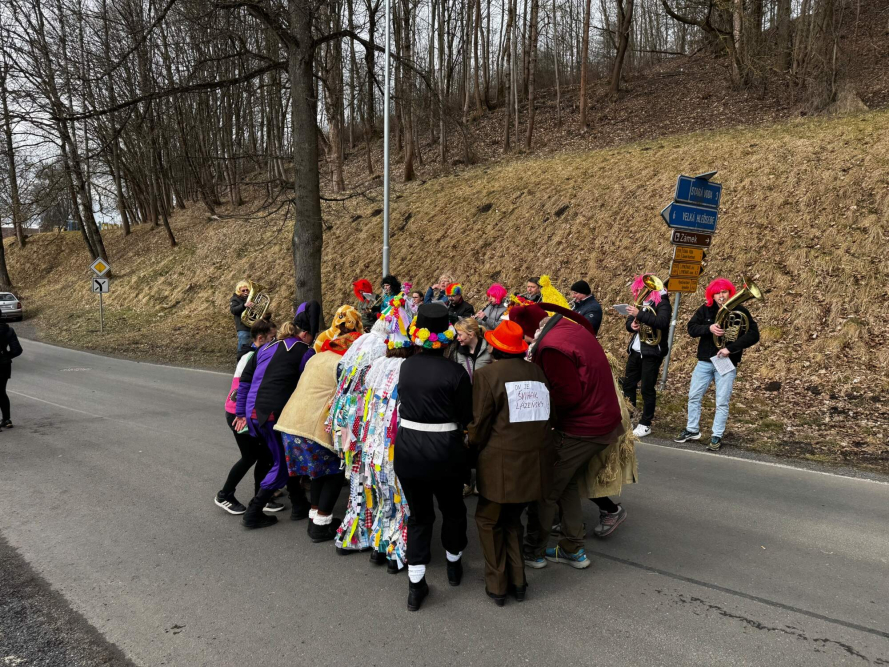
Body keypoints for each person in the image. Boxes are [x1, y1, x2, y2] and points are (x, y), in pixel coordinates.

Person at [510, 303, 624, 570]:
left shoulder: (551, 347)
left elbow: (566, 395)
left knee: (546, 489)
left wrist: (541, 414)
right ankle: (573, 548)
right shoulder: (567, 328)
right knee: (566, 484)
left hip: (581, 427)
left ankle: (534, 550)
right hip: (601, 421)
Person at [468, 321, 553, 606]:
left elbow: (480, 423)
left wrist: (469, 444)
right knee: (513, 521)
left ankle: (497, 583)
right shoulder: (536, 372)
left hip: (500, 464)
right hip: (533, 462)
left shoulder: (487, 375)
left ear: (494, 348)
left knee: (488, 520)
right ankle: (518, 581)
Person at [395, 302, 472, 611]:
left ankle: (416, 586)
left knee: (419, 516)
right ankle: (453, 565)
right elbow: (466, 416)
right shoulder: (457, 372)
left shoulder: (406, 367)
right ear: (447, 337)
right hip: (445, 452)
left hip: (408, 451)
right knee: (452, 509)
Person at [276, 313, 362, 542]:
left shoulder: (317, 357)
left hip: (290, 424)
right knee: (334, 473)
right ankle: (320, 525)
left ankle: (315, 516)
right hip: (313, 428)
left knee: (317, 473)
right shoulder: (342, 364)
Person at [234, 316, 315, 529]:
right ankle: (254, 511)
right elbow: (307, 386)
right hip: (273, 415)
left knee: (283, 456)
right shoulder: (305, 351)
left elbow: (245, 381)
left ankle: (298, 504)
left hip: (254, 412)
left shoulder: (265, 348)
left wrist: (241, 412)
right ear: (304, 334)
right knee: (283, 463)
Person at [358, 295, 416, 572]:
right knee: (399, 496)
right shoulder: (409, 369)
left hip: (374, 444)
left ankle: (379, 547)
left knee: (382, 495)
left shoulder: (376, 366)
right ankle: (396, 552)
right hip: (395, 443)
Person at [675, 277, 760, 451]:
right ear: (711, 295)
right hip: (705, 361)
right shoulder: (705, 310)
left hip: (726, 361)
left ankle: (716, 435)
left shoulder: (740, 310)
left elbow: (754, 335)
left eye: (724, 292)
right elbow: (691, 328)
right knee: (694, 396)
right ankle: (692, 430)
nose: (721, 296)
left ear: (730, 293)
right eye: (717, 293)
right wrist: (708, 329)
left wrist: (731, 348)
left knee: (722, 401)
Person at [329, 318, 390, 556]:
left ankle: (356, 531)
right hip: (365, 425)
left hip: (349, 424)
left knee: (359, 478)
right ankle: (364, 534)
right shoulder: (380, 357)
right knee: (371, 480)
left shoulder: (360, 345)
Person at [215, 319, 276, 515]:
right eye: (273, 337)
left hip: (245, 413)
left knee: (265, 455)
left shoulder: (256, 353)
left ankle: (261, 497)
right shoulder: (253, 356)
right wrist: (241, 414)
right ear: (261, 338)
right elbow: (244, 389)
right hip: (238, 414)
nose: (275, 341)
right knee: (250, 456)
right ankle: (224, 495)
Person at [623, 275, 671, 438]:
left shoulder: (663, 303)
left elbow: (662, 322)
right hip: (636, 351)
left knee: (647, 389)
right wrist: (632, 325)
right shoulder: (641, 302)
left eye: (647, 288)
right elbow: (629, 322)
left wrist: (640, 314)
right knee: (628, 385)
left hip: (652, 353)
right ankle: (628, 418)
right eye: (642, 288)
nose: (643, 291)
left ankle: (645, 423)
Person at [450, 317, 493, 497]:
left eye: (460, 334)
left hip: (486, 400)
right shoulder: (457, 352)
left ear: (471, 333)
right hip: (466, 401)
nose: (457, 338)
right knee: (466, 441)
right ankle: (466, 481)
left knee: (485, 441)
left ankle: (482, 481)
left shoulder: (489, 349)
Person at [0, 320, 23, 430]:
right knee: (1, 392)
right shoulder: (8, 330)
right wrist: (5, 357)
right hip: (4, 365)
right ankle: (6, 419)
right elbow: (17, 350)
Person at [230, 280, 254, 353]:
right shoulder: (235, 299)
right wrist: (244, 305)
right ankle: (240, 359)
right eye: (243, 291)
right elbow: (233, 310)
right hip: (243, 327)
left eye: (247, 290)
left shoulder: (252, 298)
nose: (246, 292)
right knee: (243, 348)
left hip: (253, 327)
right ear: (239, 291)